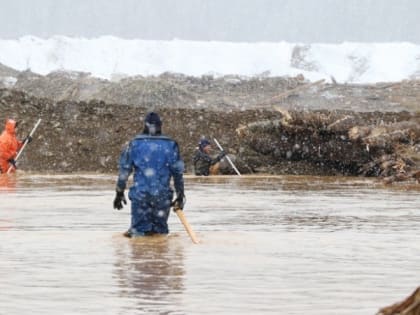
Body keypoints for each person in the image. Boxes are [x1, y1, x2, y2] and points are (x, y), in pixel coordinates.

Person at [113, 112, 185, 238]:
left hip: (141, 197)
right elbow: (178, 174)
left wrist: (119, 192)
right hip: (162, 197)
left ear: (145, 125)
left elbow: (124, 172)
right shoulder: (171, 145)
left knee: (138, 237)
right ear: (160, 126)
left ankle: (142, 252)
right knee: (160, 236)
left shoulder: (134, 144)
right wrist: (180, 195)